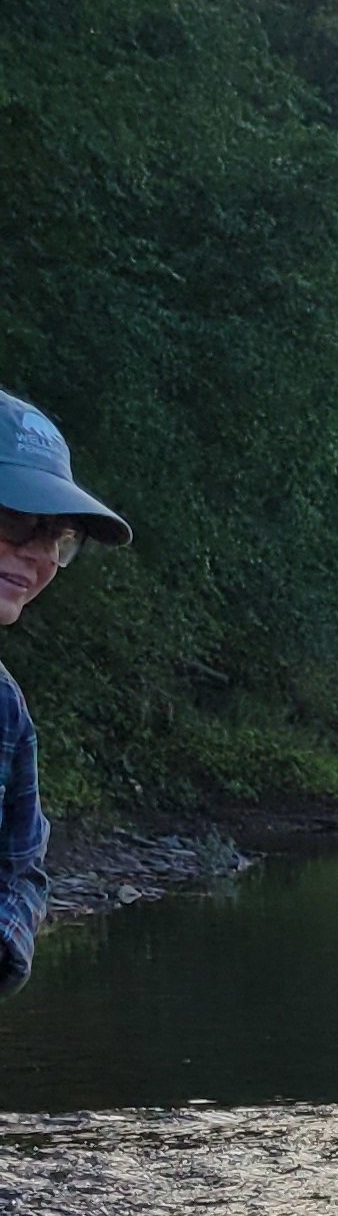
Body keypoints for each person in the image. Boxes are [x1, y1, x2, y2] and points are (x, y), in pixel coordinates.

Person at [0, 393, 132, 992]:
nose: (39, 555)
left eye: (59, 537)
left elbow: (23, 873)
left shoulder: (6, 708)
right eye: (16, 520)